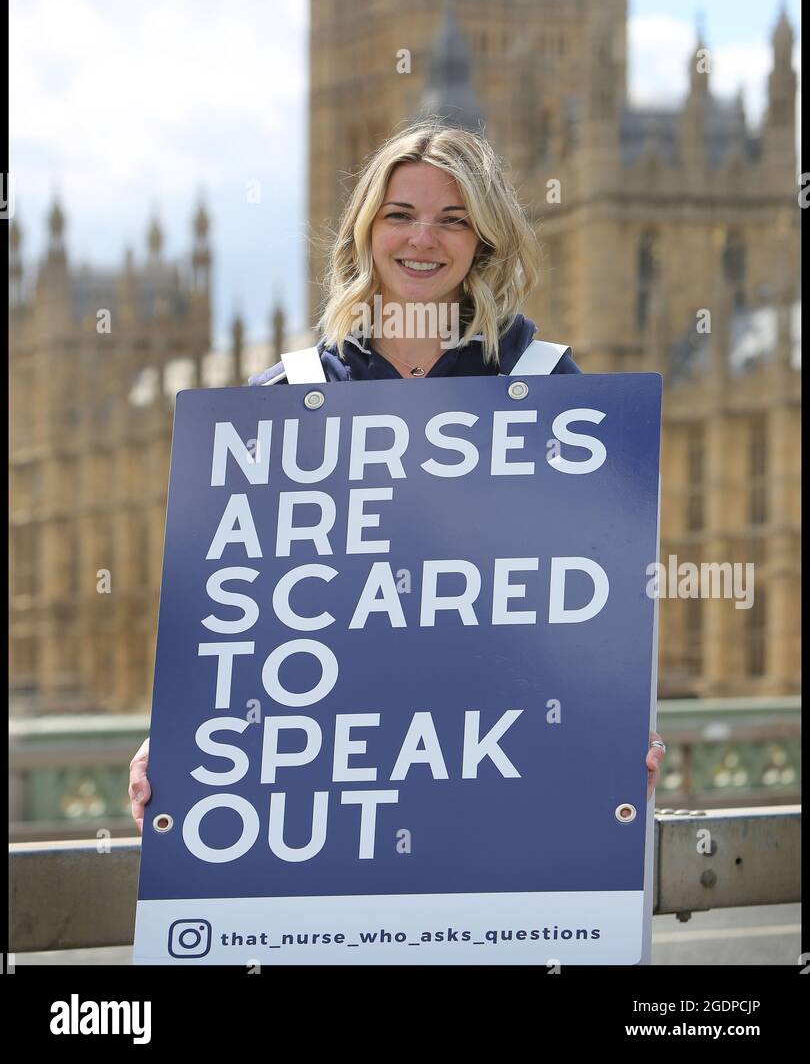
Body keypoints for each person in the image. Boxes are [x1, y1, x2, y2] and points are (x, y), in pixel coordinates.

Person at [129, 118, 666, 831]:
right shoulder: (283, 398)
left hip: (495, 763)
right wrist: (179, 742)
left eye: (453, 219)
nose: (423, 239)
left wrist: (617, 731)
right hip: (327, 777)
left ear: (484, 239)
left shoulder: (546, 385)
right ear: (365, 231)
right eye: (400, 215)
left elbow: (587, 594)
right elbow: (233, 610)